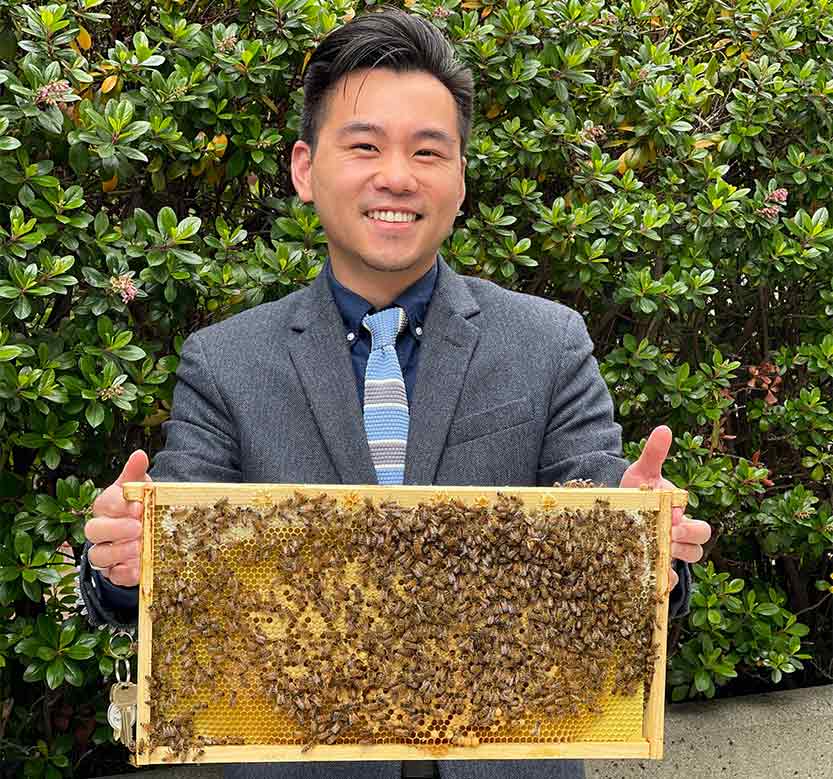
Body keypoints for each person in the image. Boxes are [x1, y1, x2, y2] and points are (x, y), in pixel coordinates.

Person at [79, 8, 711, 779]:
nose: (397, 177)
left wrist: (641, 538)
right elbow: (166, 539)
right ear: (305, 170)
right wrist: (121, 561)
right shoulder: (225, 362)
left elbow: (597, 489)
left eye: (426, 151)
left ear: (459, 180)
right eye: (365, 146)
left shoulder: (548, 341)